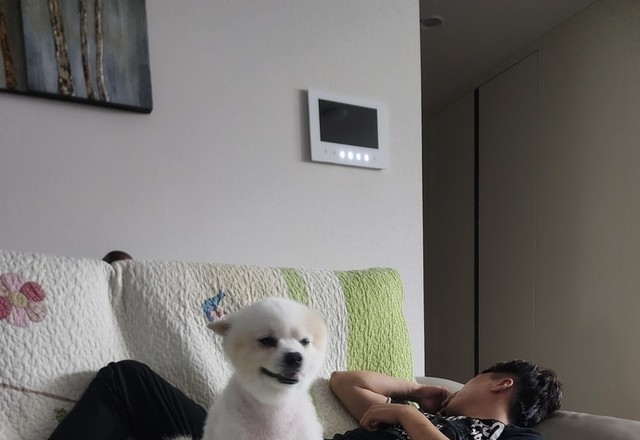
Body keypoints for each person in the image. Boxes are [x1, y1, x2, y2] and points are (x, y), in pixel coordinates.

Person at [48, 359, 562, 440]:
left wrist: (410, 419)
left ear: (501, 383)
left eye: (475, 376)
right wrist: (410, 393)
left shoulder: (519, 439)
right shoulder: (418, 416)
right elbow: (344, 381)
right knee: (128, 382)